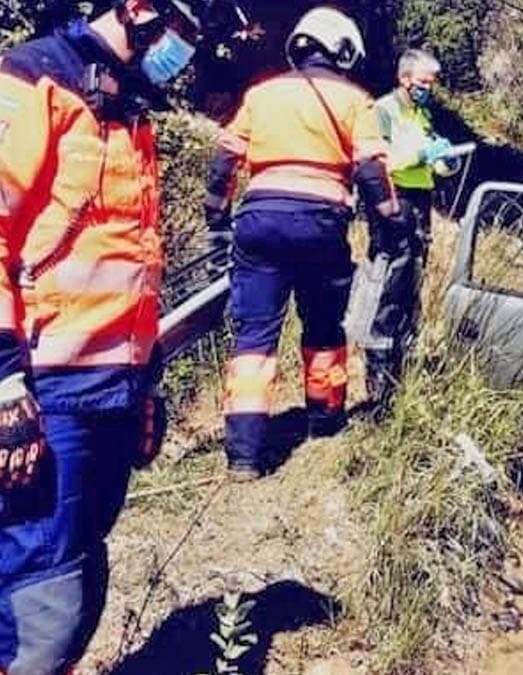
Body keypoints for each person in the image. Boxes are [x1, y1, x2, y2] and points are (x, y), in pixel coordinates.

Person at [0, 1, 246, 671]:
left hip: (110, 389)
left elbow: (125, 262)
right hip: (45, 391)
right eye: (185, 31)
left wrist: (144, 382)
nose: (187, 52)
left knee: (78, 575)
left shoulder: (127, 108)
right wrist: (3, 380)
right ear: (140, 8)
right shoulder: (35, 82)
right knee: (38, 587)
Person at [205, 6, 403, 479]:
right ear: (343, 50)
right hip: (320, 225)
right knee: (323, 325)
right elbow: (373, 173)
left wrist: (216, 216)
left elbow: (224, 158)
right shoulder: (359, 103)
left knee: (254, 335)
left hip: (258, 222)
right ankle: (325, 420)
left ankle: (244, 455)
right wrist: (392, 222)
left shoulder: (261, 94)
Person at [365, 48, 460, 409]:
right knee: (391, 285)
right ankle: (378, 381)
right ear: (404, 78)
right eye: (422, 82)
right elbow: (381, 163)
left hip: (420, 202)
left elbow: (433, 164)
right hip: (393, 202)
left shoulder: (421, 113)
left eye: (431, 84)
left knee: (412, 282)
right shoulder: (383, 110)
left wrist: (445, 160)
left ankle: (402, 369)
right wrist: (420, 156)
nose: (427, 89)